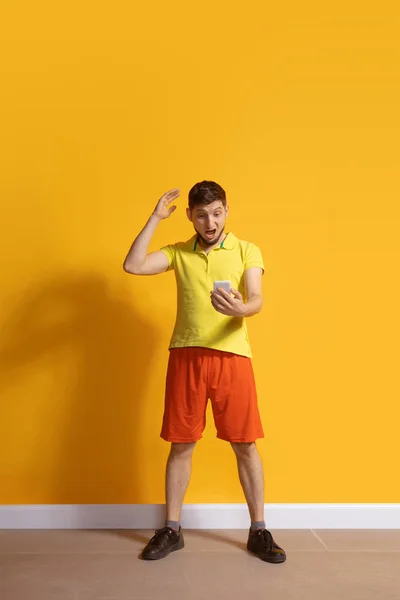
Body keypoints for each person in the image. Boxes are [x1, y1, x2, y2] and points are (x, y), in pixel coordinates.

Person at [123, 181, 286, 563]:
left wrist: (240, 310)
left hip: (232, 357)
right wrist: (154, 219)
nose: (209, 221)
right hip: (186, 355)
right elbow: (132, 265)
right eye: (201, 214)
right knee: (181, 443)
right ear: (190, 217)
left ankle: (259, 529)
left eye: (216, 213)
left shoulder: (247, 249)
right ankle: (172, 528)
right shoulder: (179, 253)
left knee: (245, 443)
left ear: (226, 210)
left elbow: (257, 298)